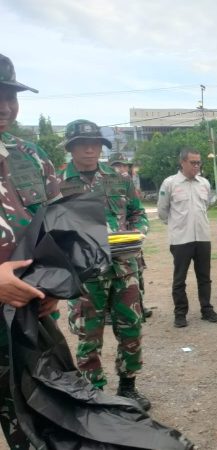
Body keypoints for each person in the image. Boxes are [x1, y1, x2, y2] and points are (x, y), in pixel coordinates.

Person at [57, 119, 151, 411]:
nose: (90, 149)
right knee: (88, 334)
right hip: (85, 273)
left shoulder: (118, 178)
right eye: (83, 144)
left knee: (131, 327)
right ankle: (93, 392)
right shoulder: (59, 183)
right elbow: (49, 227)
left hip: (123, 267)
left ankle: (128, 387)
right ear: (71, 147)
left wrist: (138, 233)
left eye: (96, 143)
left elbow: (138, 214)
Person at [0, 53, 62, 449]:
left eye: (11, 95)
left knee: (43, 425)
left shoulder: (32, 156)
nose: (6, 107)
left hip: (27, 320)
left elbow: (57, 230)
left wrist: (54, 285)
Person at [157, 148, 217, 328]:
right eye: (193, 162)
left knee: (204, 276)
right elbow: (163, 210)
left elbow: (205, 205)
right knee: (179, 278)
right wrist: (176, 226)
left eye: (199, 162)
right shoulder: (170, 183)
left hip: (202, 237)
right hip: (180, 239)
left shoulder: (204, 183)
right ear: (182, 163)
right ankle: (180, 313)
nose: (197, 166)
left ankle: (206, 309)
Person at [109, 152, 153, 320]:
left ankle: (139, 304)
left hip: (131, 240)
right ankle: (109, 310)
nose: (122, 168)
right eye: (117, 165)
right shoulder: (106, 185)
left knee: (138, 271)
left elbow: (136, 211)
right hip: (114, 241)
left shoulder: (128, 184)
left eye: (124, 165)